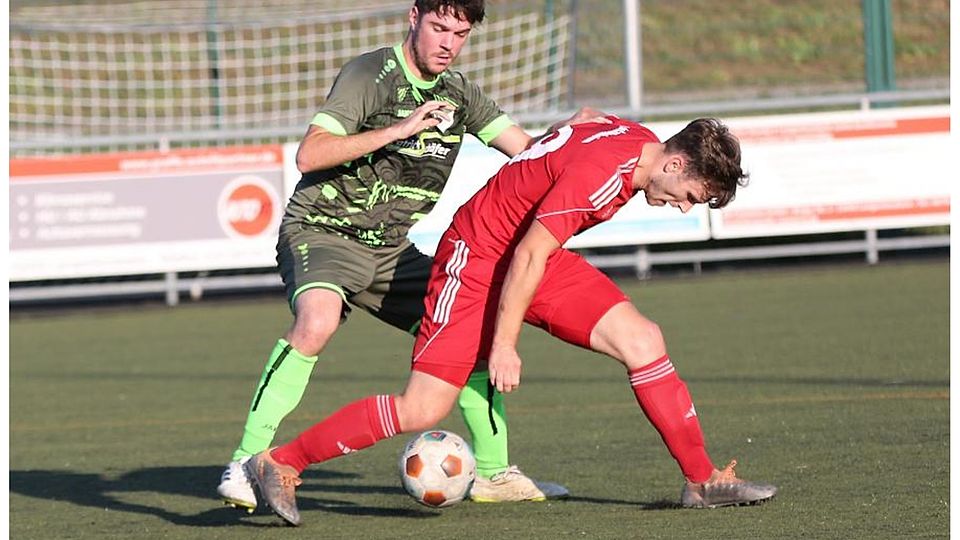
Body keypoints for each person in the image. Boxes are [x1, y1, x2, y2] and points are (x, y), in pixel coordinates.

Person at [244, 116, 778, 526]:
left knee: (642, 338)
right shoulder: (601, 176)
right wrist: (504, 344)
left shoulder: (631, 135)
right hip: (475, 259)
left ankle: (701, 480)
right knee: (423, 407)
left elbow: (578, 125)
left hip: (529, 254)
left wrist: (537, 169)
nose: (683, 208)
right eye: (690, 197)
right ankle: (281, 462)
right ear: (677, 164)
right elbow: (526, 256)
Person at [218, 0, 597, 512]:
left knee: (472, 334)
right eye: (439, 28)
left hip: (392, 251)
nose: (448, 43)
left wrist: (566, 134)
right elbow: (310, 154)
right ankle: (246, 462)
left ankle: (492, 474)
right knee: (317, 322)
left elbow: (526, 152)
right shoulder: (371, 74)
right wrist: (400, 129)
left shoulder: (460, 94)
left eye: (459, 34)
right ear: (413, 17)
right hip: (324, 230)